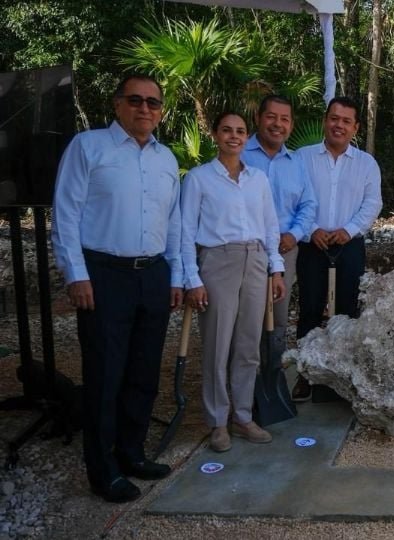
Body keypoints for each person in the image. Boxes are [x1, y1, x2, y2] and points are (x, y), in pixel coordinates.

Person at [52, 74, 181, 503]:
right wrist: (76, 273)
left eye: (153, 103)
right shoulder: (88, 148)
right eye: (136, 100)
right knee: (105, 374)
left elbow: (175, 223)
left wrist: (177, 276)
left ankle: (131, 452)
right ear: (117, 104)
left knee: (144, 372)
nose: (145, 109)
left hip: (153, 274)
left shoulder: (166, 159)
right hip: (104, 274)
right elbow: (65, 213)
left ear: (161, 111)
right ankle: (101, 468)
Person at [181, 112, 286, 453]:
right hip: (217, 260)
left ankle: (243, 416)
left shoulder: (258, 179)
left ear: (247, 136)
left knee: (247, 345)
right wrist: (191, 278)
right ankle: (217, 422)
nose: (234, 136)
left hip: (255, 260)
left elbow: (271, 226)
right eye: (226, 130)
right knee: (217, 346)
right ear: (214, 134)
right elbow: (184, 232)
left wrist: (276, 268)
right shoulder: (199, 179)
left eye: (240, 131)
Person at [294, 96, 382, 400]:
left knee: (347, 311)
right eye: (334, 118)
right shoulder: (301, 158)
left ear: (355, 127)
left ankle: (342, 376)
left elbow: (373, 203)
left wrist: (350, 230)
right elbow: (293, 201)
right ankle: (306, 373)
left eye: (346, 121)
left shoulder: (366, 163)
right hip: (312, 246)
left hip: (349, 247)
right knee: (309, 310)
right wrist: (309, 231)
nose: (338, 125)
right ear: (325, 120)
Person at [242, 95, 317, 351]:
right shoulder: (239, 154)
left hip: (285, 250)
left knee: (278, 317)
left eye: (284, 119)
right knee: (244, 317)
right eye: (271, 117)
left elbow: (309, 205)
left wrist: (294, 235)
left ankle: (271, 375)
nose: (278, 124)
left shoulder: (297, 163)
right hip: (245, 250)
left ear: (291, 125)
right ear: (258, 118)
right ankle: (244, 382)